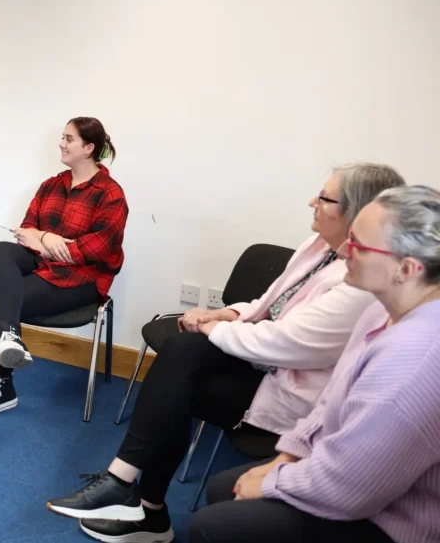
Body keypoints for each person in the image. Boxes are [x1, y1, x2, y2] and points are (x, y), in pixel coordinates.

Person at [45, 163, 406, 543]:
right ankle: (133, 494)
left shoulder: (357, 282)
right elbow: (271, 304)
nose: (312, 201)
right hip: (265, 365)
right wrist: (224, 313)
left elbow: (283, 342)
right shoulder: (318, 247)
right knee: (179, 365)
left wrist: (213, 327)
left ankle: (140, 503)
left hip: (289, 390)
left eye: (325, 197)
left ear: (357, 213)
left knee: (179, 380)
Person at [189, 185, 440, 543]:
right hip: (351, 478)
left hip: (394, 521)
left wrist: (274, 482)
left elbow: (355, 489)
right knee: (222, 489)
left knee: (210, 527)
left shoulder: (415, 363)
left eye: (359, 245)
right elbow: (330, 400)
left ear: (407, 269)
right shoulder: (379, 310)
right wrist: (284, 460)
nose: (342, 251)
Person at [0, 117, 129, 417]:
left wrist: (46, 241)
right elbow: (26, 229)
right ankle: (11, 337)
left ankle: (2, 386)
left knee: (3, 301)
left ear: (89, 148)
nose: (61, 144)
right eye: (62, 137)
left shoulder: (110, 195)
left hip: (83, 281)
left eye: (68, 139)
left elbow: (96, 249)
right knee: (0, 250)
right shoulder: (52, 185)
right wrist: (47, 238)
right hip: (44, 266)